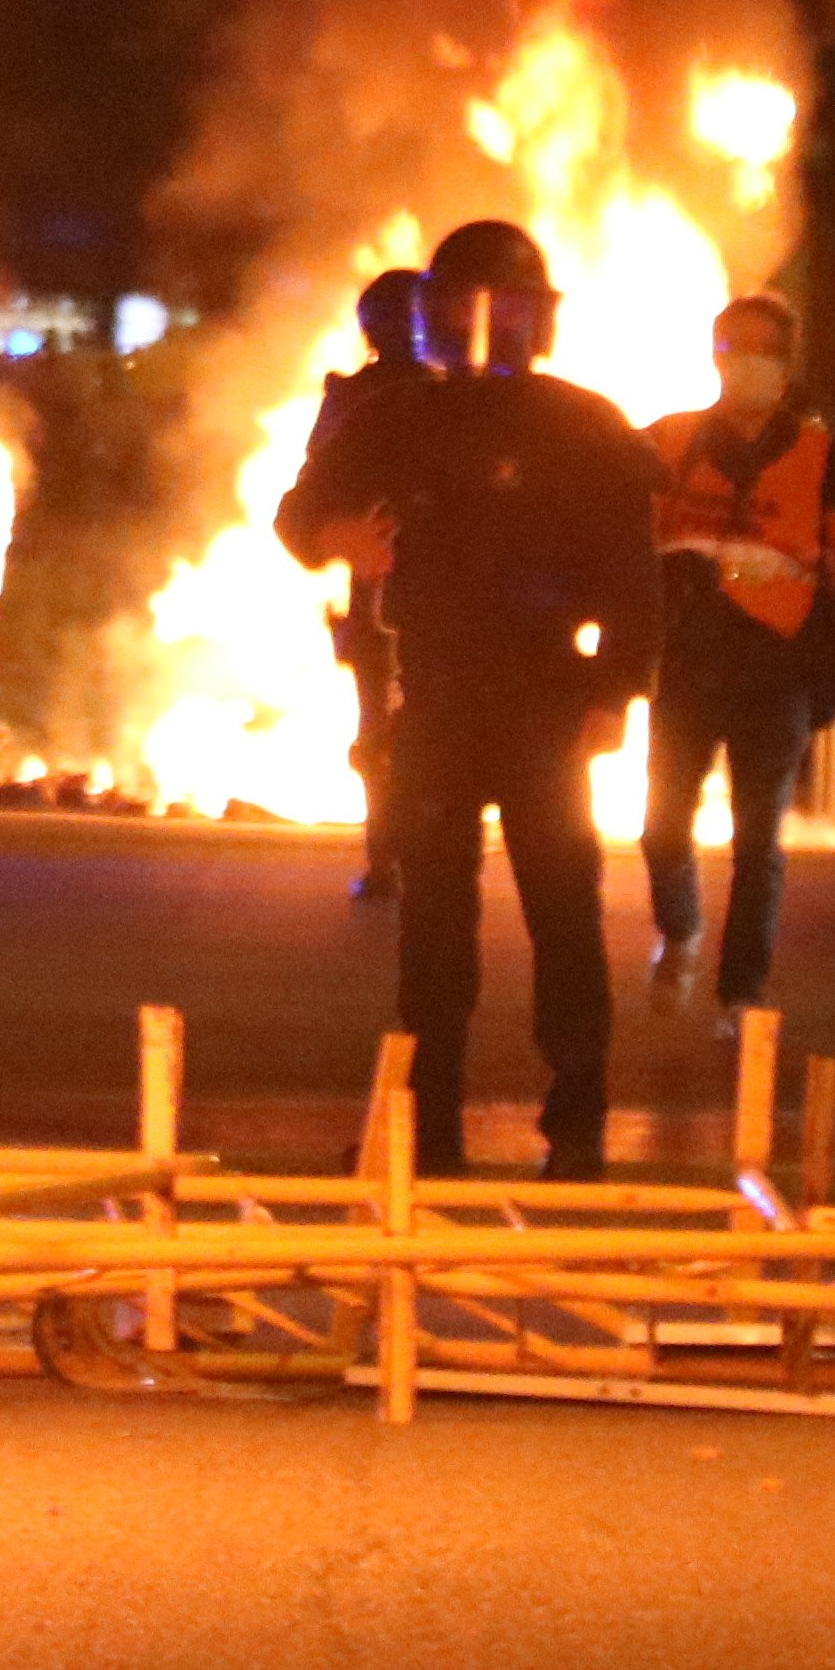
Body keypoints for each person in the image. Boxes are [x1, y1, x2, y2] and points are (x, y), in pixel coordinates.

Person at [274, 217, 661, 1175]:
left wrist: (614, 693)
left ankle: (575, 1128)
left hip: (546, 699)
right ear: (438, 316)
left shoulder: (585, 425)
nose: (490, 328)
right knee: (435, 935)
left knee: (565, 921)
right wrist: (337, 543)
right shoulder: (397, 418)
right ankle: (430, 1130)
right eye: (469, 307)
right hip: (439, 696)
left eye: (510, 308)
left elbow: (632, 578)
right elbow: (298, 513)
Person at [638, 288, 835, 1024]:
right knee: (661, 826)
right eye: (730, 346)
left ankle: (741, 989)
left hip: (775, 667)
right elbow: (627, 536)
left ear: (785, 364)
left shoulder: (820, 456)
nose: (744, 362)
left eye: (760, 349)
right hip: (686, 663)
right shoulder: (669, 442)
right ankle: (680, 930)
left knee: (758, 841)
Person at [286, 266, 428, 913]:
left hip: (390, 594)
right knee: (392, 728)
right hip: (394, 594)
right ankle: (399, 855)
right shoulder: (396, 398)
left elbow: (314, 496)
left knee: (383, 726)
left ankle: (390, 856)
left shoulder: (359, 398)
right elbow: (314, 501)